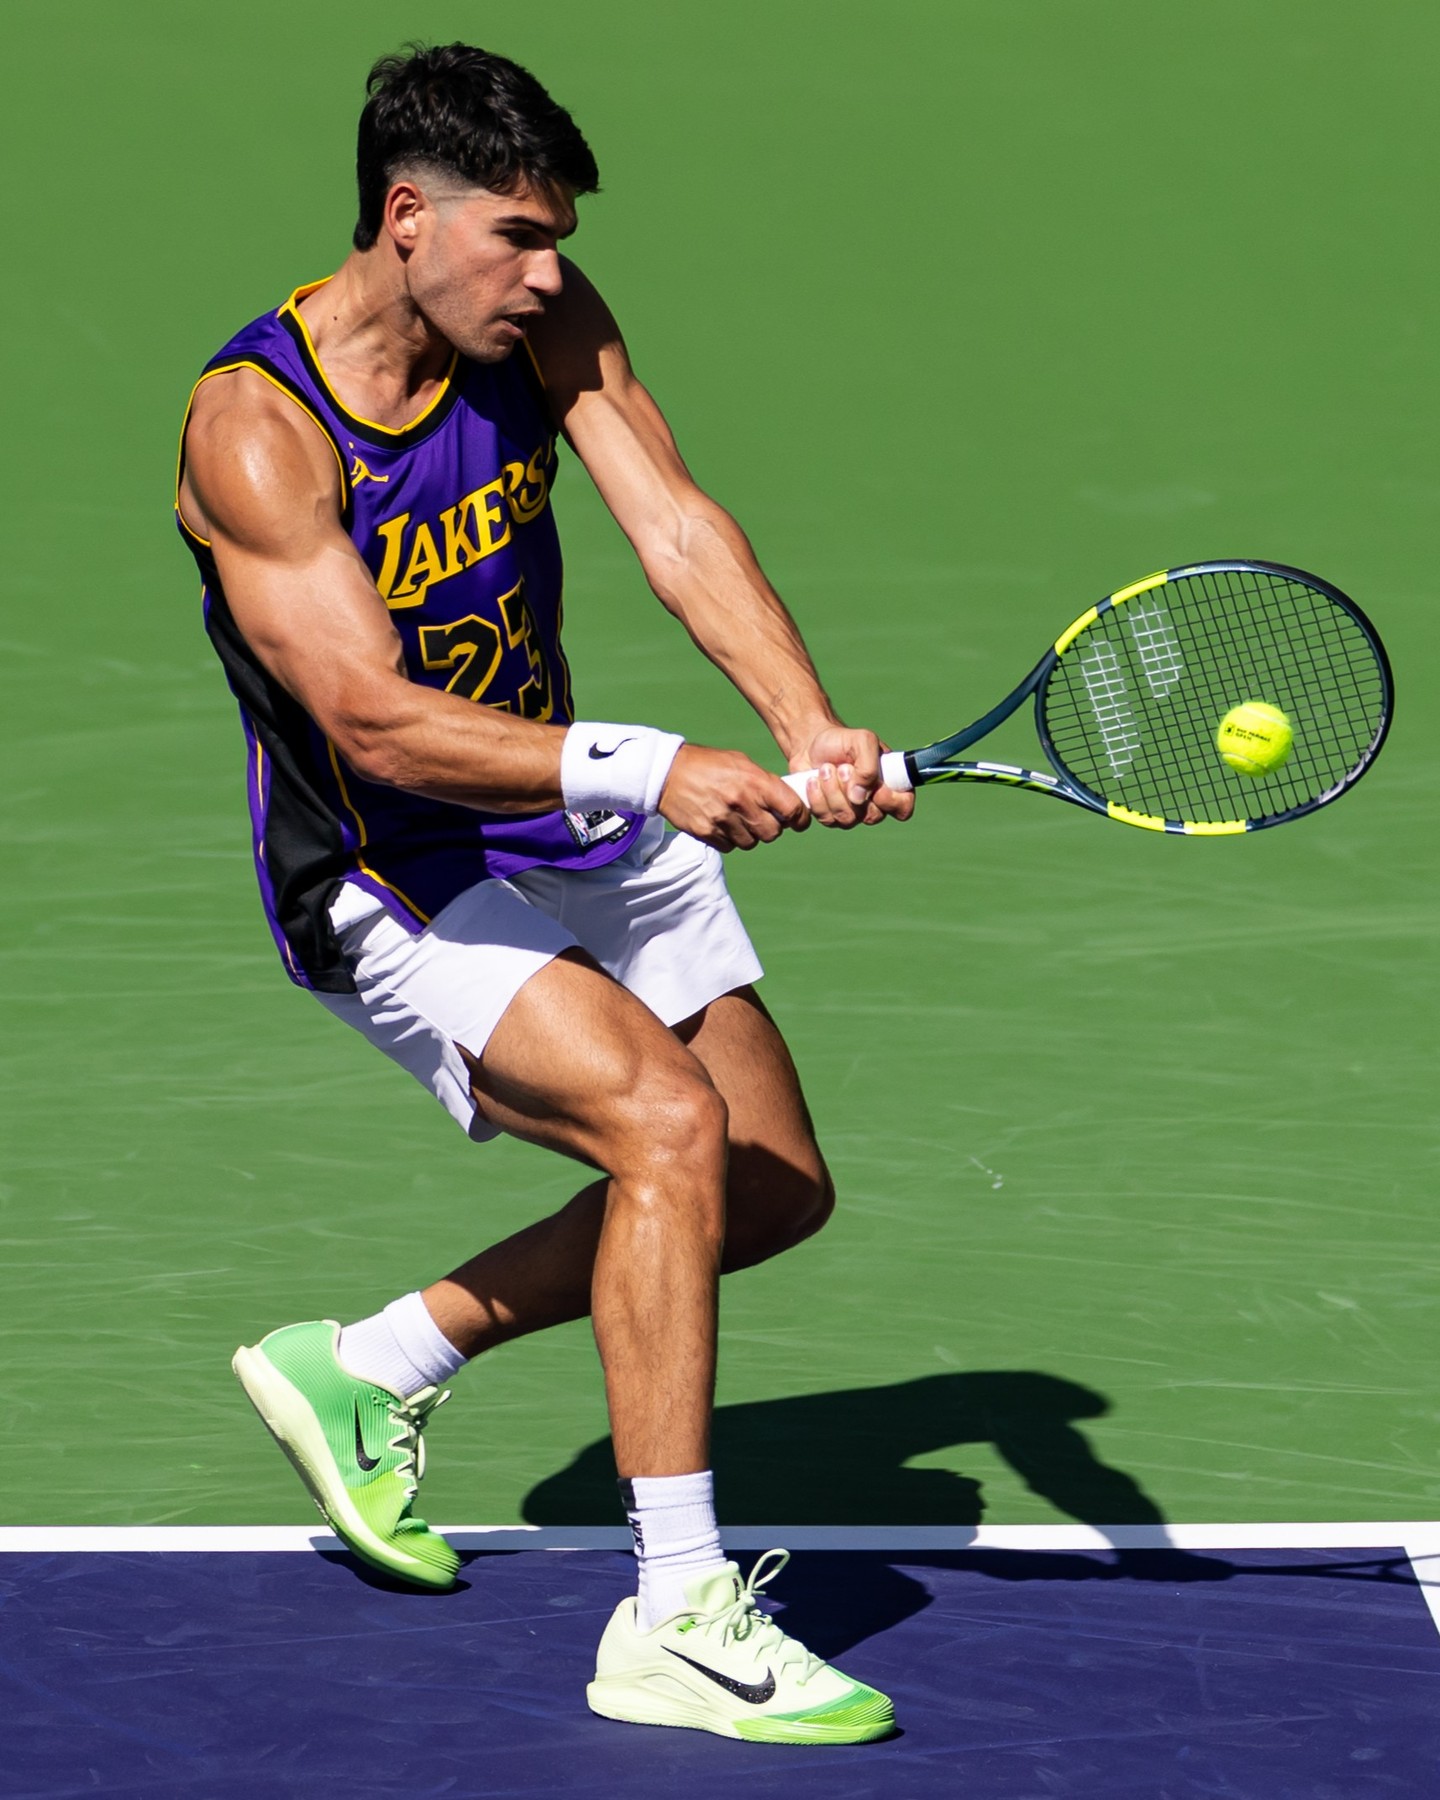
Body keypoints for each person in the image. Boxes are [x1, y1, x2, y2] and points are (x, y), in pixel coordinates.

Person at [176, 42, 910, 1745]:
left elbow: (671, 522)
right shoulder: (258, 428)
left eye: (560, 235)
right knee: (664, 1129)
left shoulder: (537, 331)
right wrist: (649, 764)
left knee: (770, 1185)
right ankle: (673, 1616)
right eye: (517, 233)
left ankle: (374, 1364)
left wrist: (804, 727)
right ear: (404, 217)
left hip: (560, 811)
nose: (551, 270)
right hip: (387, 858)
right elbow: (367, 717)